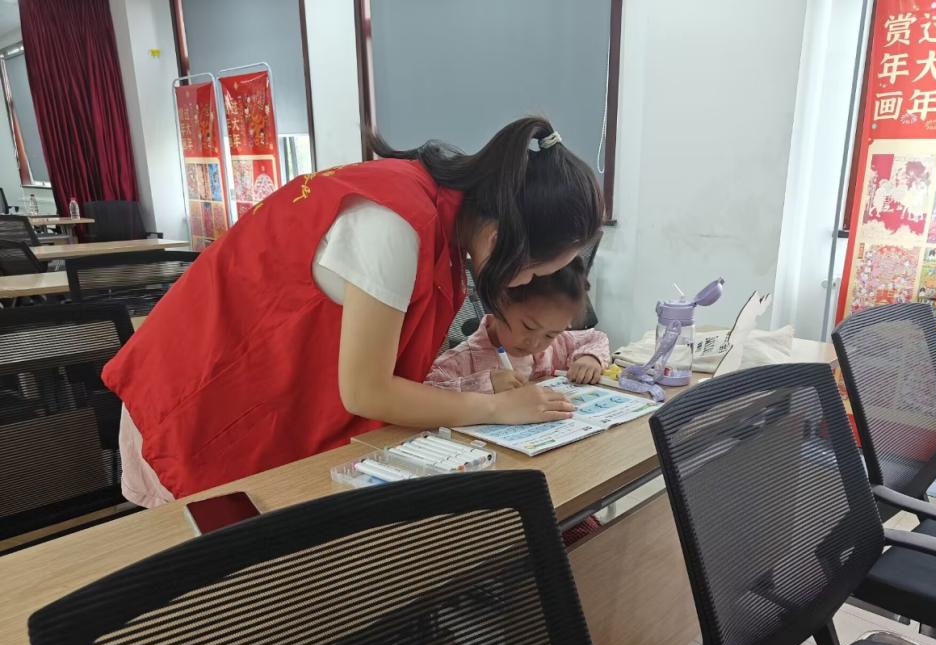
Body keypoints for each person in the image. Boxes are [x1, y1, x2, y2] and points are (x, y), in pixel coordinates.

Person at [104, 117, 604, 507]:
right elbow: (367, 391)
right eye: (533, 272)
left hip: (259, 392)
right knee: (205, 583)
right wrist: (495, 409)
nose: (527, 284)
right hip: (196, 399)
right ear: (499, 238)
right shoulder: (396, 225)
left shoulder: (438, 221)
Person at [426, 256, 610, 392]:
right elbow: (428, 396)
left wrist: (589, 358)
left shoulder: (553, 347)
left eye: (550, 334)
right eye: (529, 327)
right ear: (500, 301)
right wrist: (485, 385)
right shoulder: (461, 361)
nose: (535, 343)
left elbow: (596, 338)